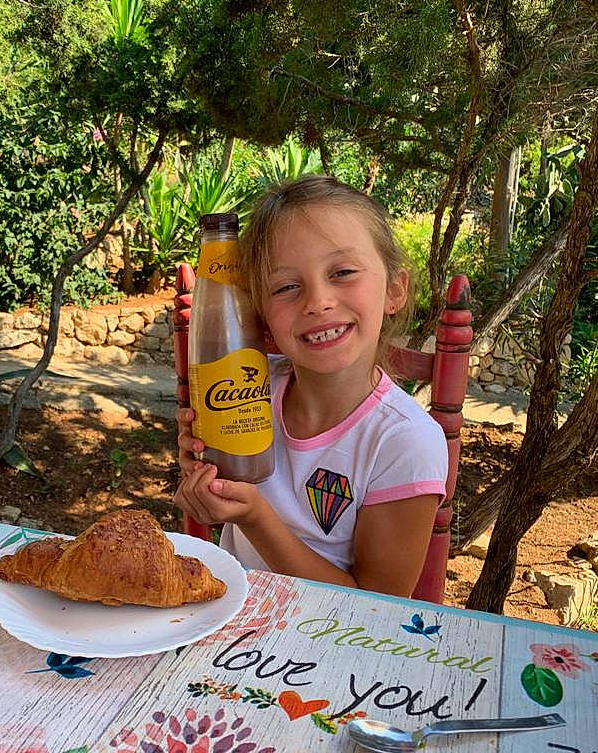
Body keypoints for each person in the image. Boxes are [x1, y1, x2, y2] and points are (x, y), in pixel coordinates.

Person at [174, 174, 447, 598]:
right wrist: (210, 477)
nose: (317, 301)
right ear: (262, 320)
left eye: (342, 272)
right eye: (286, 287)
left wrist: (255, 517)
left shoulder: (404, 442)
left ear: (394, 290)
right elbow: (220, 514)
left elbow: (376, 606)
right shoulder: (244, 393)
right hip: (234, 617)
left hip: (334, 645)